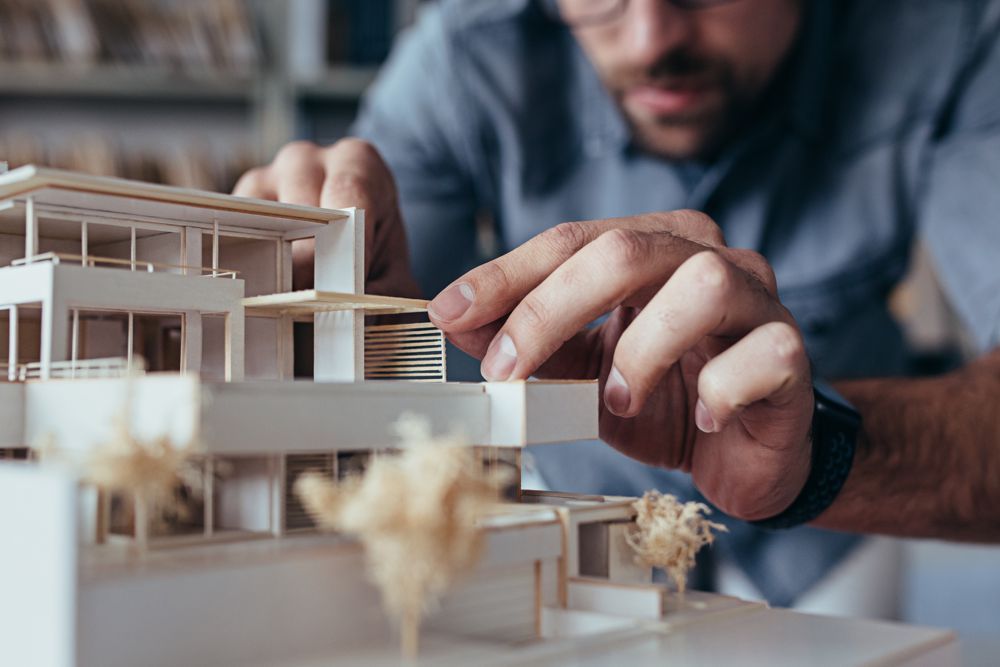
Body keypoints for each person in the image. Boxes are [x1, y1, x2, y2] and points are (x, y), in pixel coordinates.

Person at [234, 0, 1000, 608]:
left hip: (838, 518)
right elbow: (398, 341)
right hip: (573, 522)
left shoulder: (948, 37)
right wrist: (332, 306)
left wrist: (814, 461)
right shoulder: (461, 56)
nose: (650, 36)